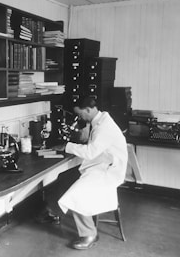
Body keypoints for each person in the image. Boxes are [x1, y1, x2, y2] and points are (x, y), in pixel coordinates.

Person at [53, 96, 128, 250]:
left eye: (80, 114)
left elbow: (90, 152)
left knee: (76, 193)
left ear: (88, 109)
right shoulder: (99, 121)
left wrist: (67, 146)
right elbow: (93, 143)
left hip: (109, 171)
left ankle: (89, 234)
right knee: (64, 177)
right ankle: (53, 212)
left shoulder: (104, 127)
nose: (79, 117)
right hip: (101, 165)